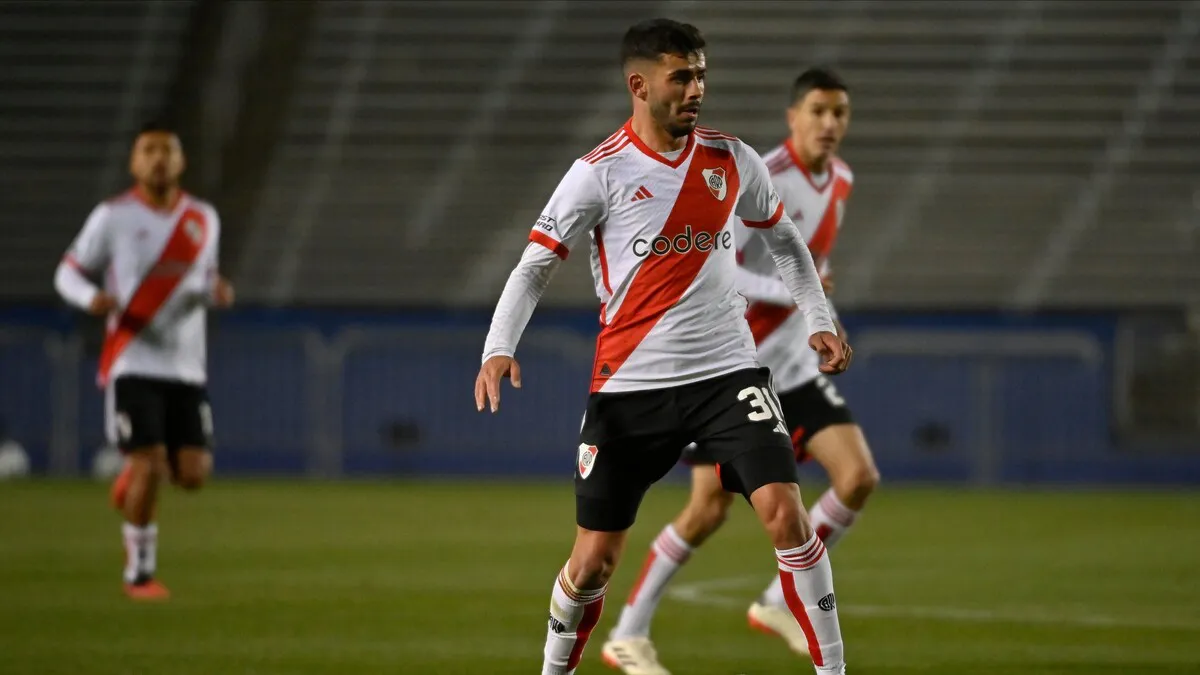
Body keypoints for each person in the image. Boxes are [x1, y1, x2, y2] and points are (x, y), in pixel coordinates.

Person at [474, 20, 852, 675]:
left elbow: (786, 243)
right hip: (630, 385)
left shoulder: (731, 159)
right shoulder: (598, 173)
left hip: (728, 376)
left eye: (701, 75)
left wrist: (817, 316)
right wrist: (498, 346)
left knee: (785, 513)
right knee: (593, 561)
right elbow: (534, 265)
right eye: (681, 76)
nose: (696, 89)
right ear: (640, 85)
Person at [602, 67, 880, 674]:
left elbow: (810, 266)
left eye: (839, 113)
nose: (829, 123)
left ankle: (778, 600)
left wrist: (824, 317)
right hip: (735, 366)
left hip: (795, 367)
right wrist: (794, 293)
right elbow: (720, 264)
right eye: (818, 111)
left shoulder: (842, 180)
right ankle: (628, 631)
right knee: (708, 509)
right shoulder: (758, 172)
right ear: (793, 117)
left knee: (857, 475)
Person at [54, 121, 234, 600]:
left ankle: (131, 478)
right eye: (148, 150)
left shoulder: (202, 218)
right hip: (133, 360)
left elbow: (203, 278)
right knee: (150, 464)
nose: (158, 159)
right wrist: (91, 298)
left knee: (192, 475)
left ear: (181, 161)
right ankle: (140, 574)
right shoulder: (112, 216)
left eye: (166, 150)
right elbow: (67, 272)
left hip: (186, 366)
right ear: (134, 162)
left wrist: (214, 292)